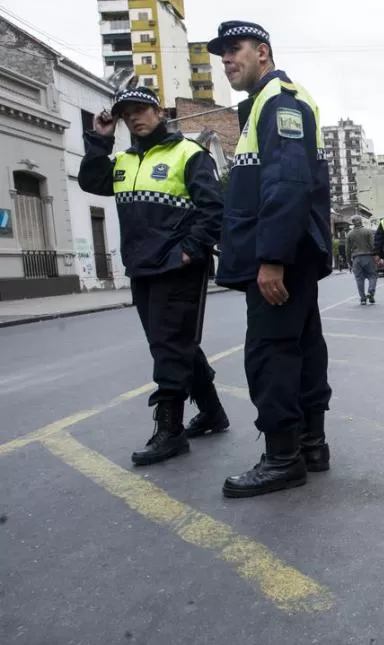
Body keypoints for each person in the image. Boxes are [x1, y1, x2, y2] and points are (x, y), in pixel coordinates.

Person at [209, 20, 333, 498]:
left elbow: (286, 183)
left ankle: (283, 457)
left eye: (234, 49)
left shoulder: (278, 100)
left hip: (283, 254)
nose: (226, 60)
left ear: (263, 51)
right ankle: (311, 445)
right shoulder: (269, 101)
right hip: (290, 250)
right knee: (301, 347)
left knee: (271, 353)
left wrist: (273, 258)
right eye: (221, 54)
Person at [78, 86, 227, 466]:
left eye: (141, 110)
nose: (135, 118)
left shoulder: (188, 153)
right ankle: (211, 412)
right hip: (142, 267)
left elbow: (214, 210)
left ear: (159, 111)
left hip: (178, 268)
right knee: (174, 343)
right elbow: (91, 182)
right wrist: (100, 139)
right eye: (127, 114)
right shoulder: (125, 161)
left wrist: (189, 251)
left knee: (168, 346)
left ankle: (170, 432)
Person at [345, 215, 377, 305]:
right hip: (368, 257)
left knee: (359, 279)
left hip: (356, 258)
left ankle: (363, 299)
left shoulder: (349, 234)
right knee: (372, 276)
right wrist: (376, 255)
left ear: (353, 222)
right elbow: (373, 245)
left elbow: (347, 250)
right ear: (361, 221)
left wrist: (349, 261)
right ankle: (371, 292)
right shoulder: (368, 231)